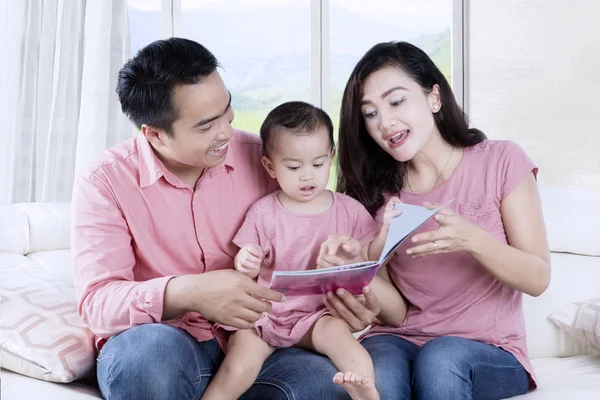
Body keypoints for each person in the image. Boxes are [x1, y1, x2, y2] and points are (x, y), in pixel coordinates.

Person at [72, 38, 356, 400]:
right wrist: (191, 292)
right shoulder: (105, 181)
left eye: (227, 110)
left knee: (327, 383)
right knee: (148, 356)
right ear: (154, 134)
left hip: (258, 341)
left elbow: (316, 232)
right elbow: (97, 302)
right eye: (206, 126)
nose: (226, 131)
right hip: (166, 342)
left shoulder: (266, 158)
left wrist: (348, 291)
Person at [316, 41, 551, 400]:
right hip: (398, 339)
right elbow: (394, 316)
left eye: (396, 101)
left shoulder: (500, 161)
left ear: (434, 98)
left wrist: (473, 240)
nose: (385, 122)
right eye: (370, 113)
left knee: (440, 360)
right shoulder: (377, 198)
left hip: (490, 349)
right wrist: (356, 270)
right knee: (377, 374)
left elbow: (537, 278)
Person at [201, 101, 404, 400]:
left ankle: (365, 390)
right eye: (294, 167)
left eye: (319, 164)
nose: (307, 176)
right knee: (238, 364)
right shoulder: (264, 212)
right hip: (267, 314)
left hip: (318, 315)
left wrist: (382, 232)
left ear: (332, 157)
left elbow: (371, 258)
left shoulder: (348, 210)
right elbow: (245, 265)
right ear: (270, 166)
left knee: (348, 346)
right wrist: (247, 261)